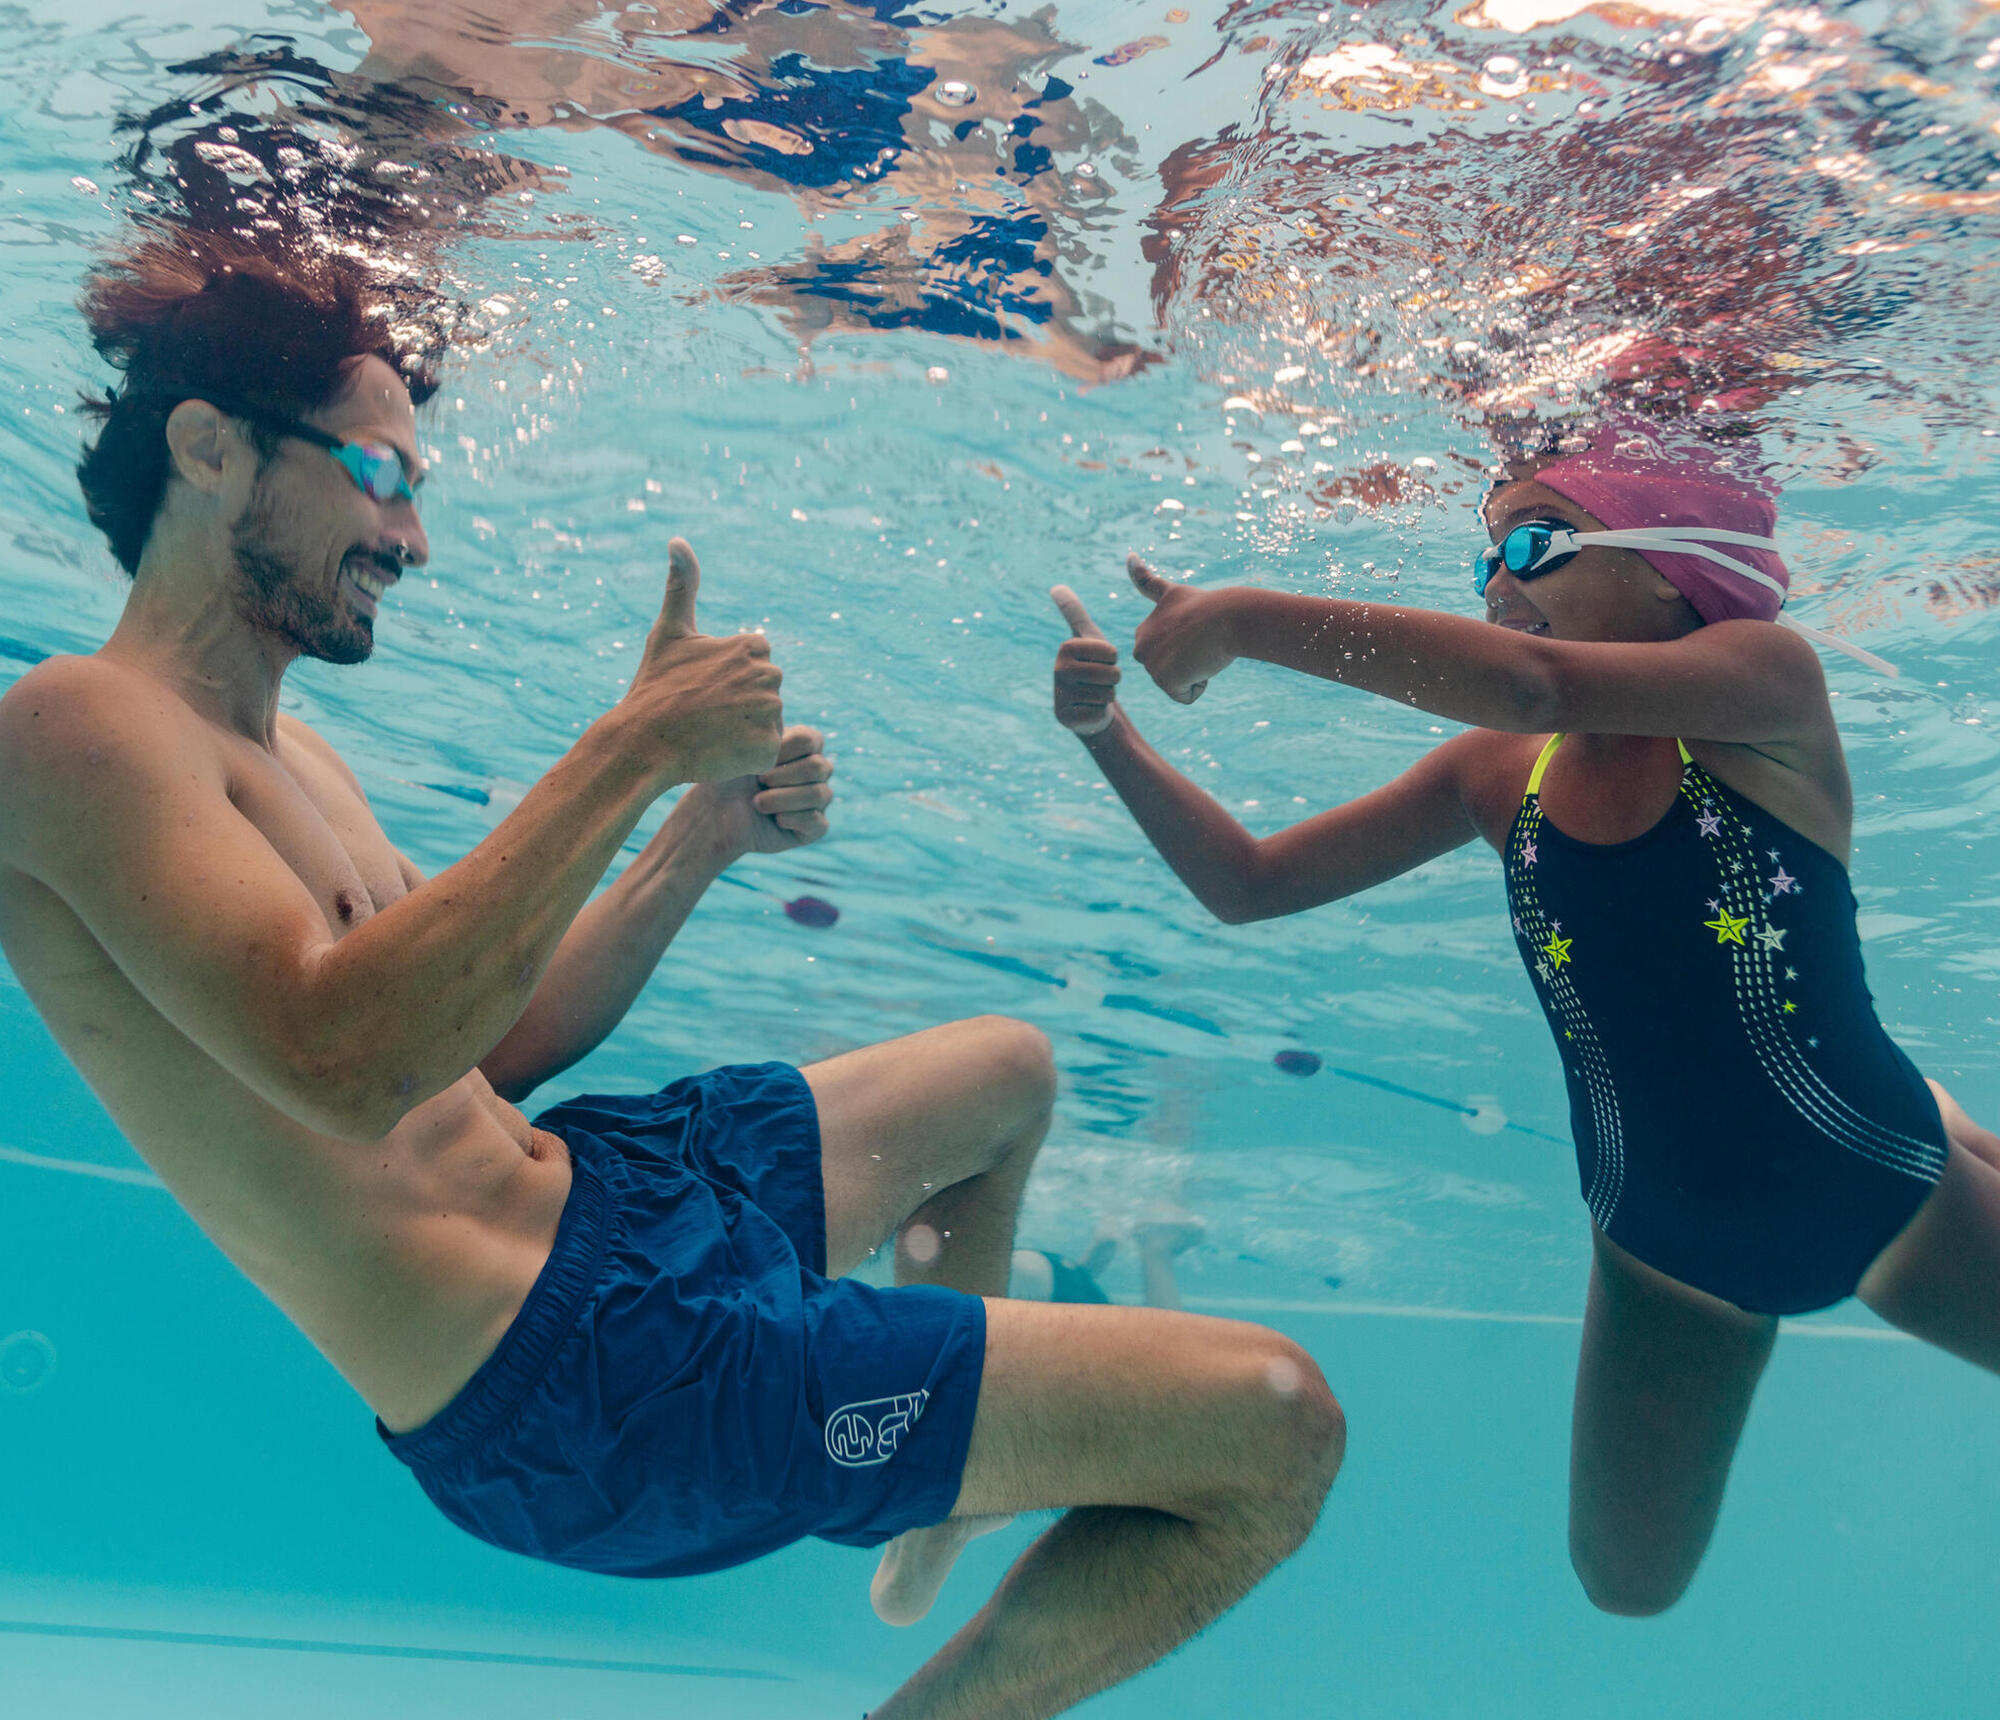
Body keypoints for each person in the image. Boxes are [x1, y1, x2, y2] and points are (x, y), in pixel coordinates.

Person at [0, 226, 1342, 1720]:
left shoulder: (290, 753)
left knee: (1004, 1075)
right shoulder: (70, 726)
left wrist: (695, 835)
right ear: (207, 448)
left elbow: (480, 1048)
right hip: (583, 1383)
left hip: (606, 1204)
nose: (412, 538)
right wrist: (631, 742)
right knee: (1276, 1428)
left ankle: (939, 1497)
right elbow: (341, 1063)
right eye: (379, 476)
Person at [1051, 421, 2000, 1616]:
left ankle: (1934, 1113)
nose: (1494, 583)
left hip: (1878, 1181)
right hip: (1657, 1252)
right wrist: (1105, 735)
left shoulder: (1763, 688)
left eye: (1533, 544)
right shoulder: (1497, 775)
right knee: (1625, 1582)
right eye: (1485, 557)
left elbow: (1525, 680)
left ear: (1668, 566)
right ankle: (1937, 1105)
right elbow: (1247, 884)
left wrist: (1243, 618)